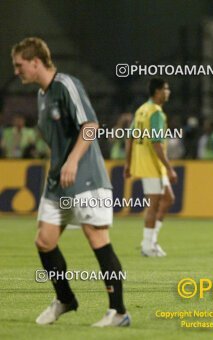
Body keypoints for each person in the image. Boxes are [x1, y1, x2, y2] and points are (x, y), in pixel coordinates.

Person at [11, 37, 130, 326]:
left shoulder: (66, 85)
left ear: (36, 62)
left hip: (86, 177)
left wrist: (73, 161)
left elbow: (90, 126)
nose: (16, 71)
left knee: (96, 237)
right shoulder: (42, 95)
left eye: (19, 65)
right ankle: (65, 299)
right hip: (58, 182)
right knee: (44, 241)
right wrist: (58, 167)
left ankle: (119, 311)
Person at [124, 78, 177, 257]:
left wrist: (127, 162)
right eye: (166, 89)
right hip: (152, 165)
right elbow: (156, 143)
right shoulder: (155, 113)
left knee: (168, 199)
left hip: (150, 165)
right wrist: (169, 168)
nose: (168, 92)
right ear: (158, 92)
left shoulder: (141, 110)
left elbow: (130, 137)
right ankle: (147, 246)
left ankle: (151, 241)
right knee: (153, 206)